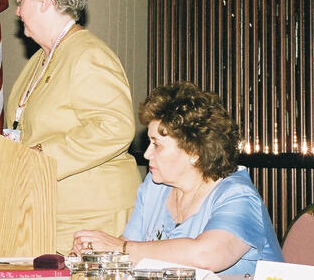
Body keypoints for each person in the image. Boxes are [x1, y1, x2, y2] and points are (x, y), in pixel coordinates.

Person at [71, 81, 283, 276]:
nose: (146, 154)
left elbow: (206, 256)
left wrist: (120, 249)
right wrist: (94, 255)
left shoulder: (238, 196)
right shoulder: (155, 187)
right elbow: (128, 248)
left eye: (157, 144)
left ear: (194, 152)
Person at [4, 0, 141, 253]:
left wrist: (40, 157)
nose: (17, 11)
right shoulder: (39, 60)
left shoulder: (89, 54)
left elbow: (114, 128)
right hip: (50, 212)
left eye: (20, 0)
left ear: (45, 1)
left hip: (92, 218)